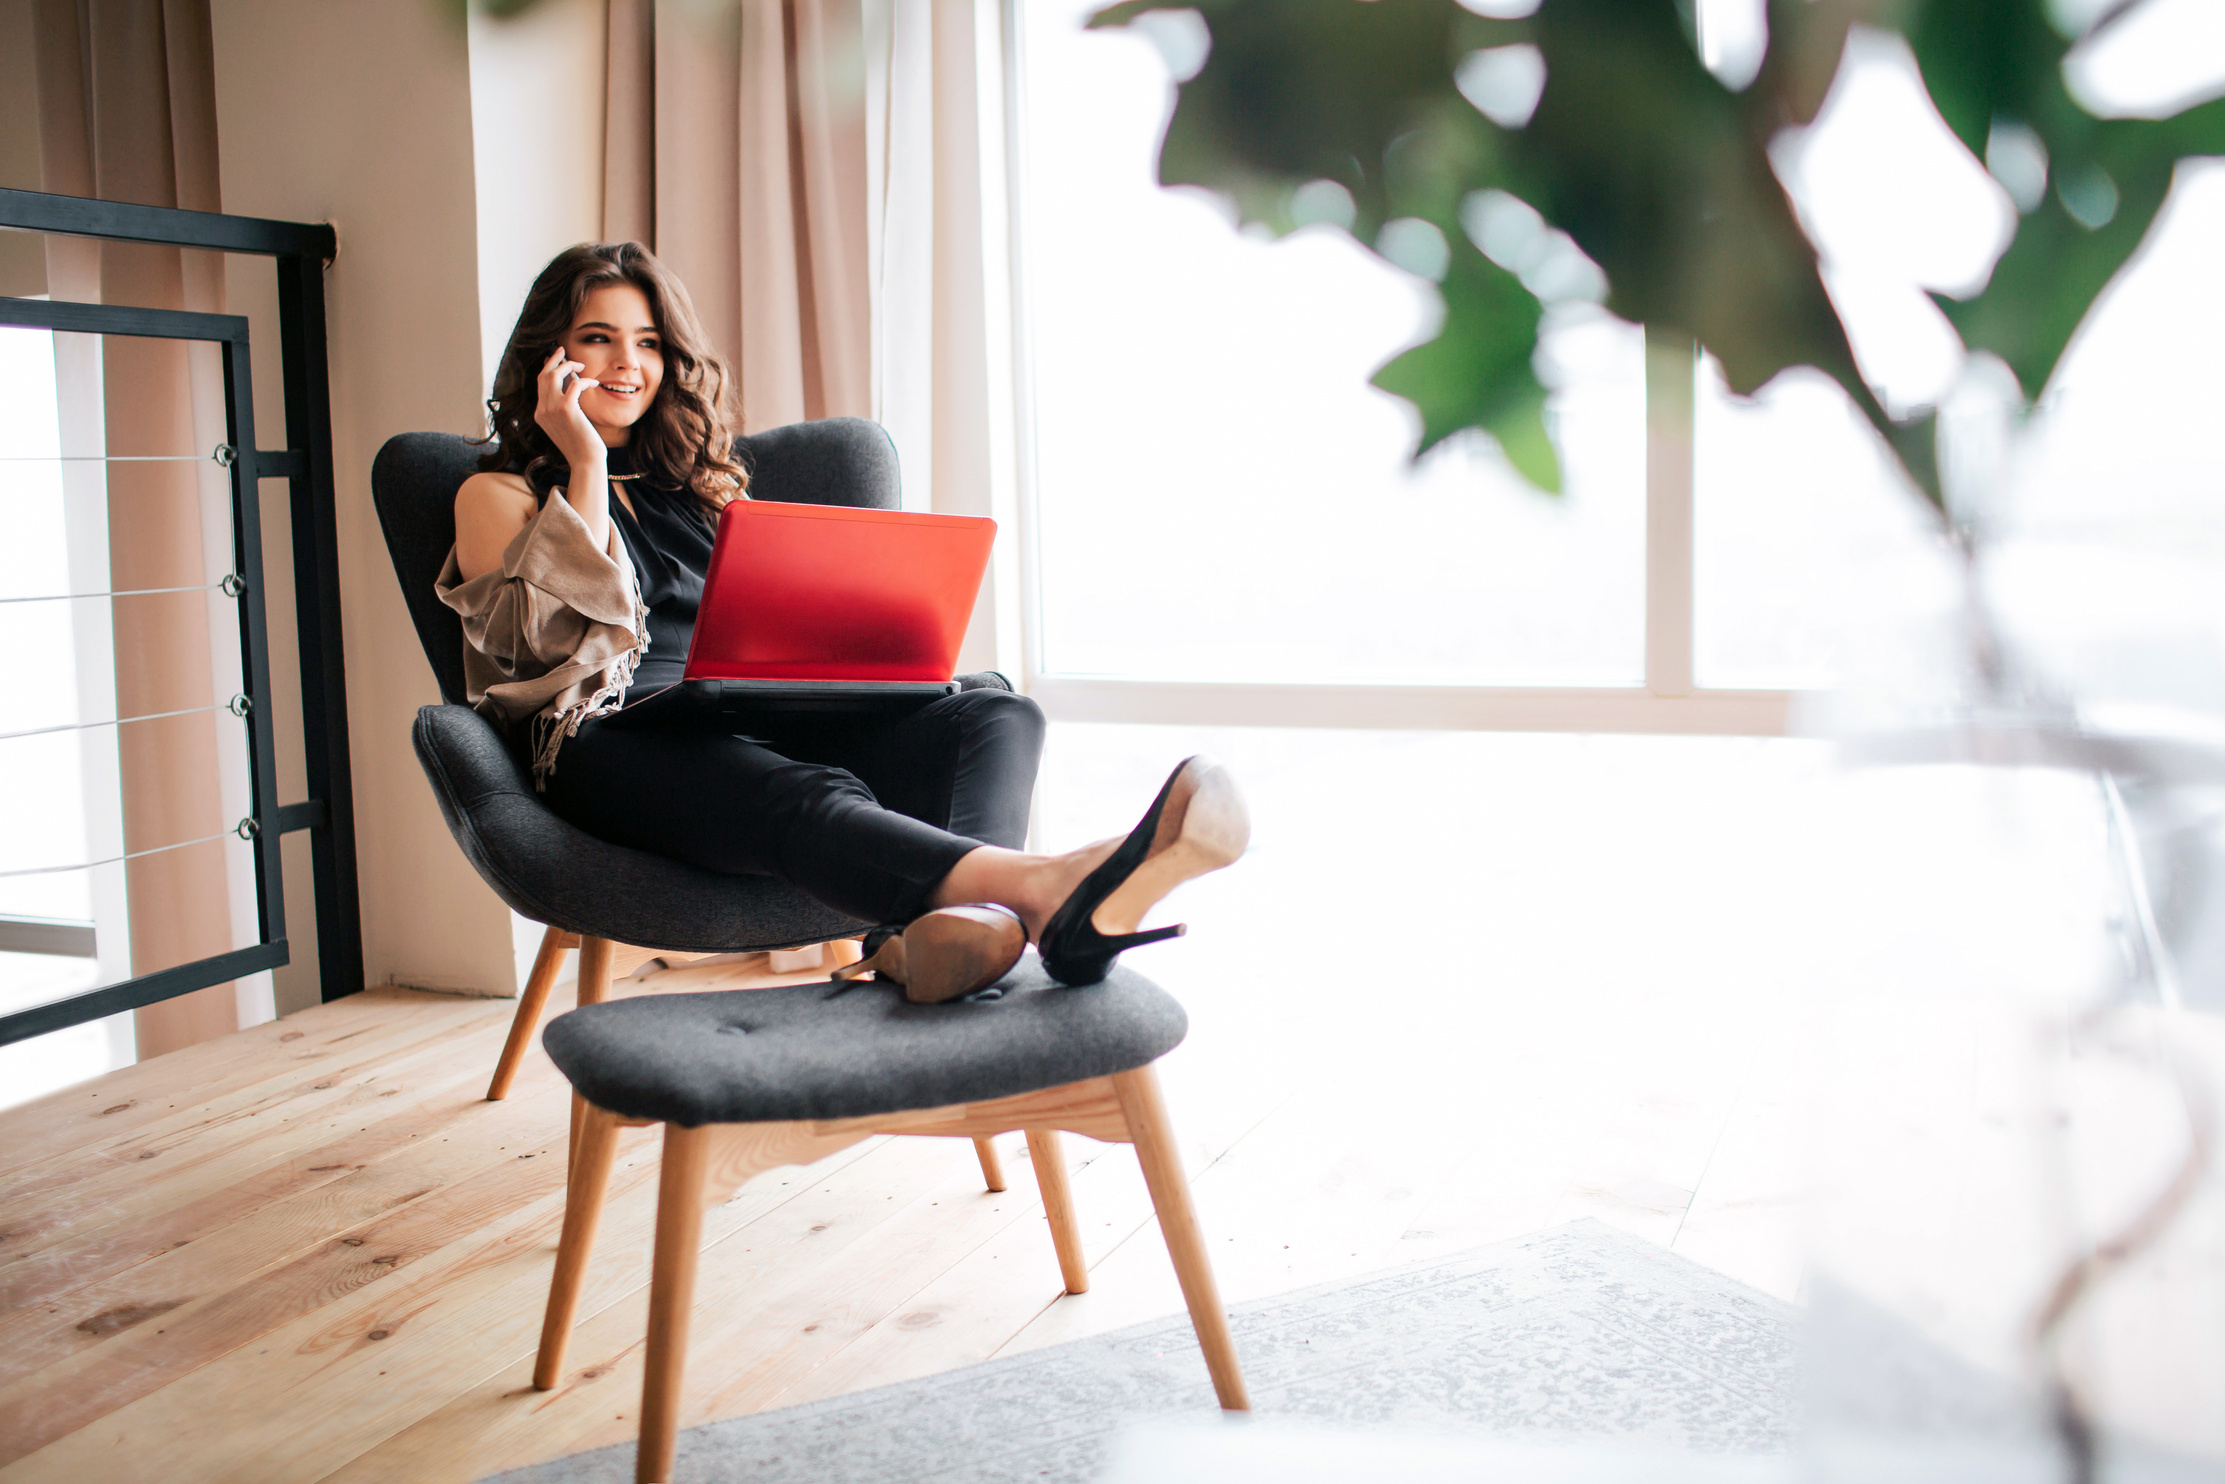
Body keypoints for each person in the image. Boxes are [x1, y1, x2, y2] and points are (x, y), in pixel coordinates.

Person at [439, 241, 1245, 1002]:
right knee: (800, 789)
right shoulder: (497, 497)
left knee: (995, 710)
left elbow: (770, 622)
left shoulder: (704, 489)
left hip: (733, 709)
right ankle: (1039, 889)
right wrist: (584, 461)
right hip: (609, 739)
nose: (627, 364)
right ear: (551, 355)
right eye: (598, 338)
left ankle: (952, 936)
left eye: (648, 343)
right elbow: (543, 645)